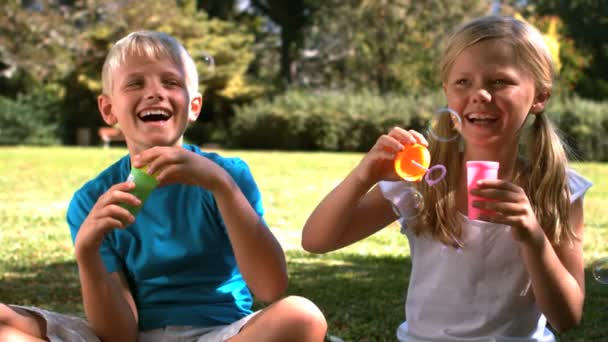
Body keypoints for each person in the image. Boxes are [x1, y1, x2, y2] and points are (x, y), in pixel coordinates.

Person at [0, 31, 327, 341]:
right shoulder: (91, 201)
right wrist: (87, 253)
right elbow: (120, 336)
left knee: (303, 317)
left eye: (171, 82)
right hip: (136, 333)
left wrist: (222, 188)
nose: (155, 92)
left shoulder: (228, 176)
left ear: (194, 106)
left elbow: (270, 288)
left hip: (223, 332)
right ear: (109, 109)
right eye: (135, 83)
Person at [301, 15, 592, 342]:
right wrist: (362, 175)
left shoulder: (558, 189)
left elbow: (567, 317)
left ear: (539, 96)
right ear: (447, 93)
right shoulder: (422, 179)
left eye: (499, 82)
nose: (480, 94)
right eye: (463, 82)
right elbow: (316, 241)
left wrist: (534, 239)